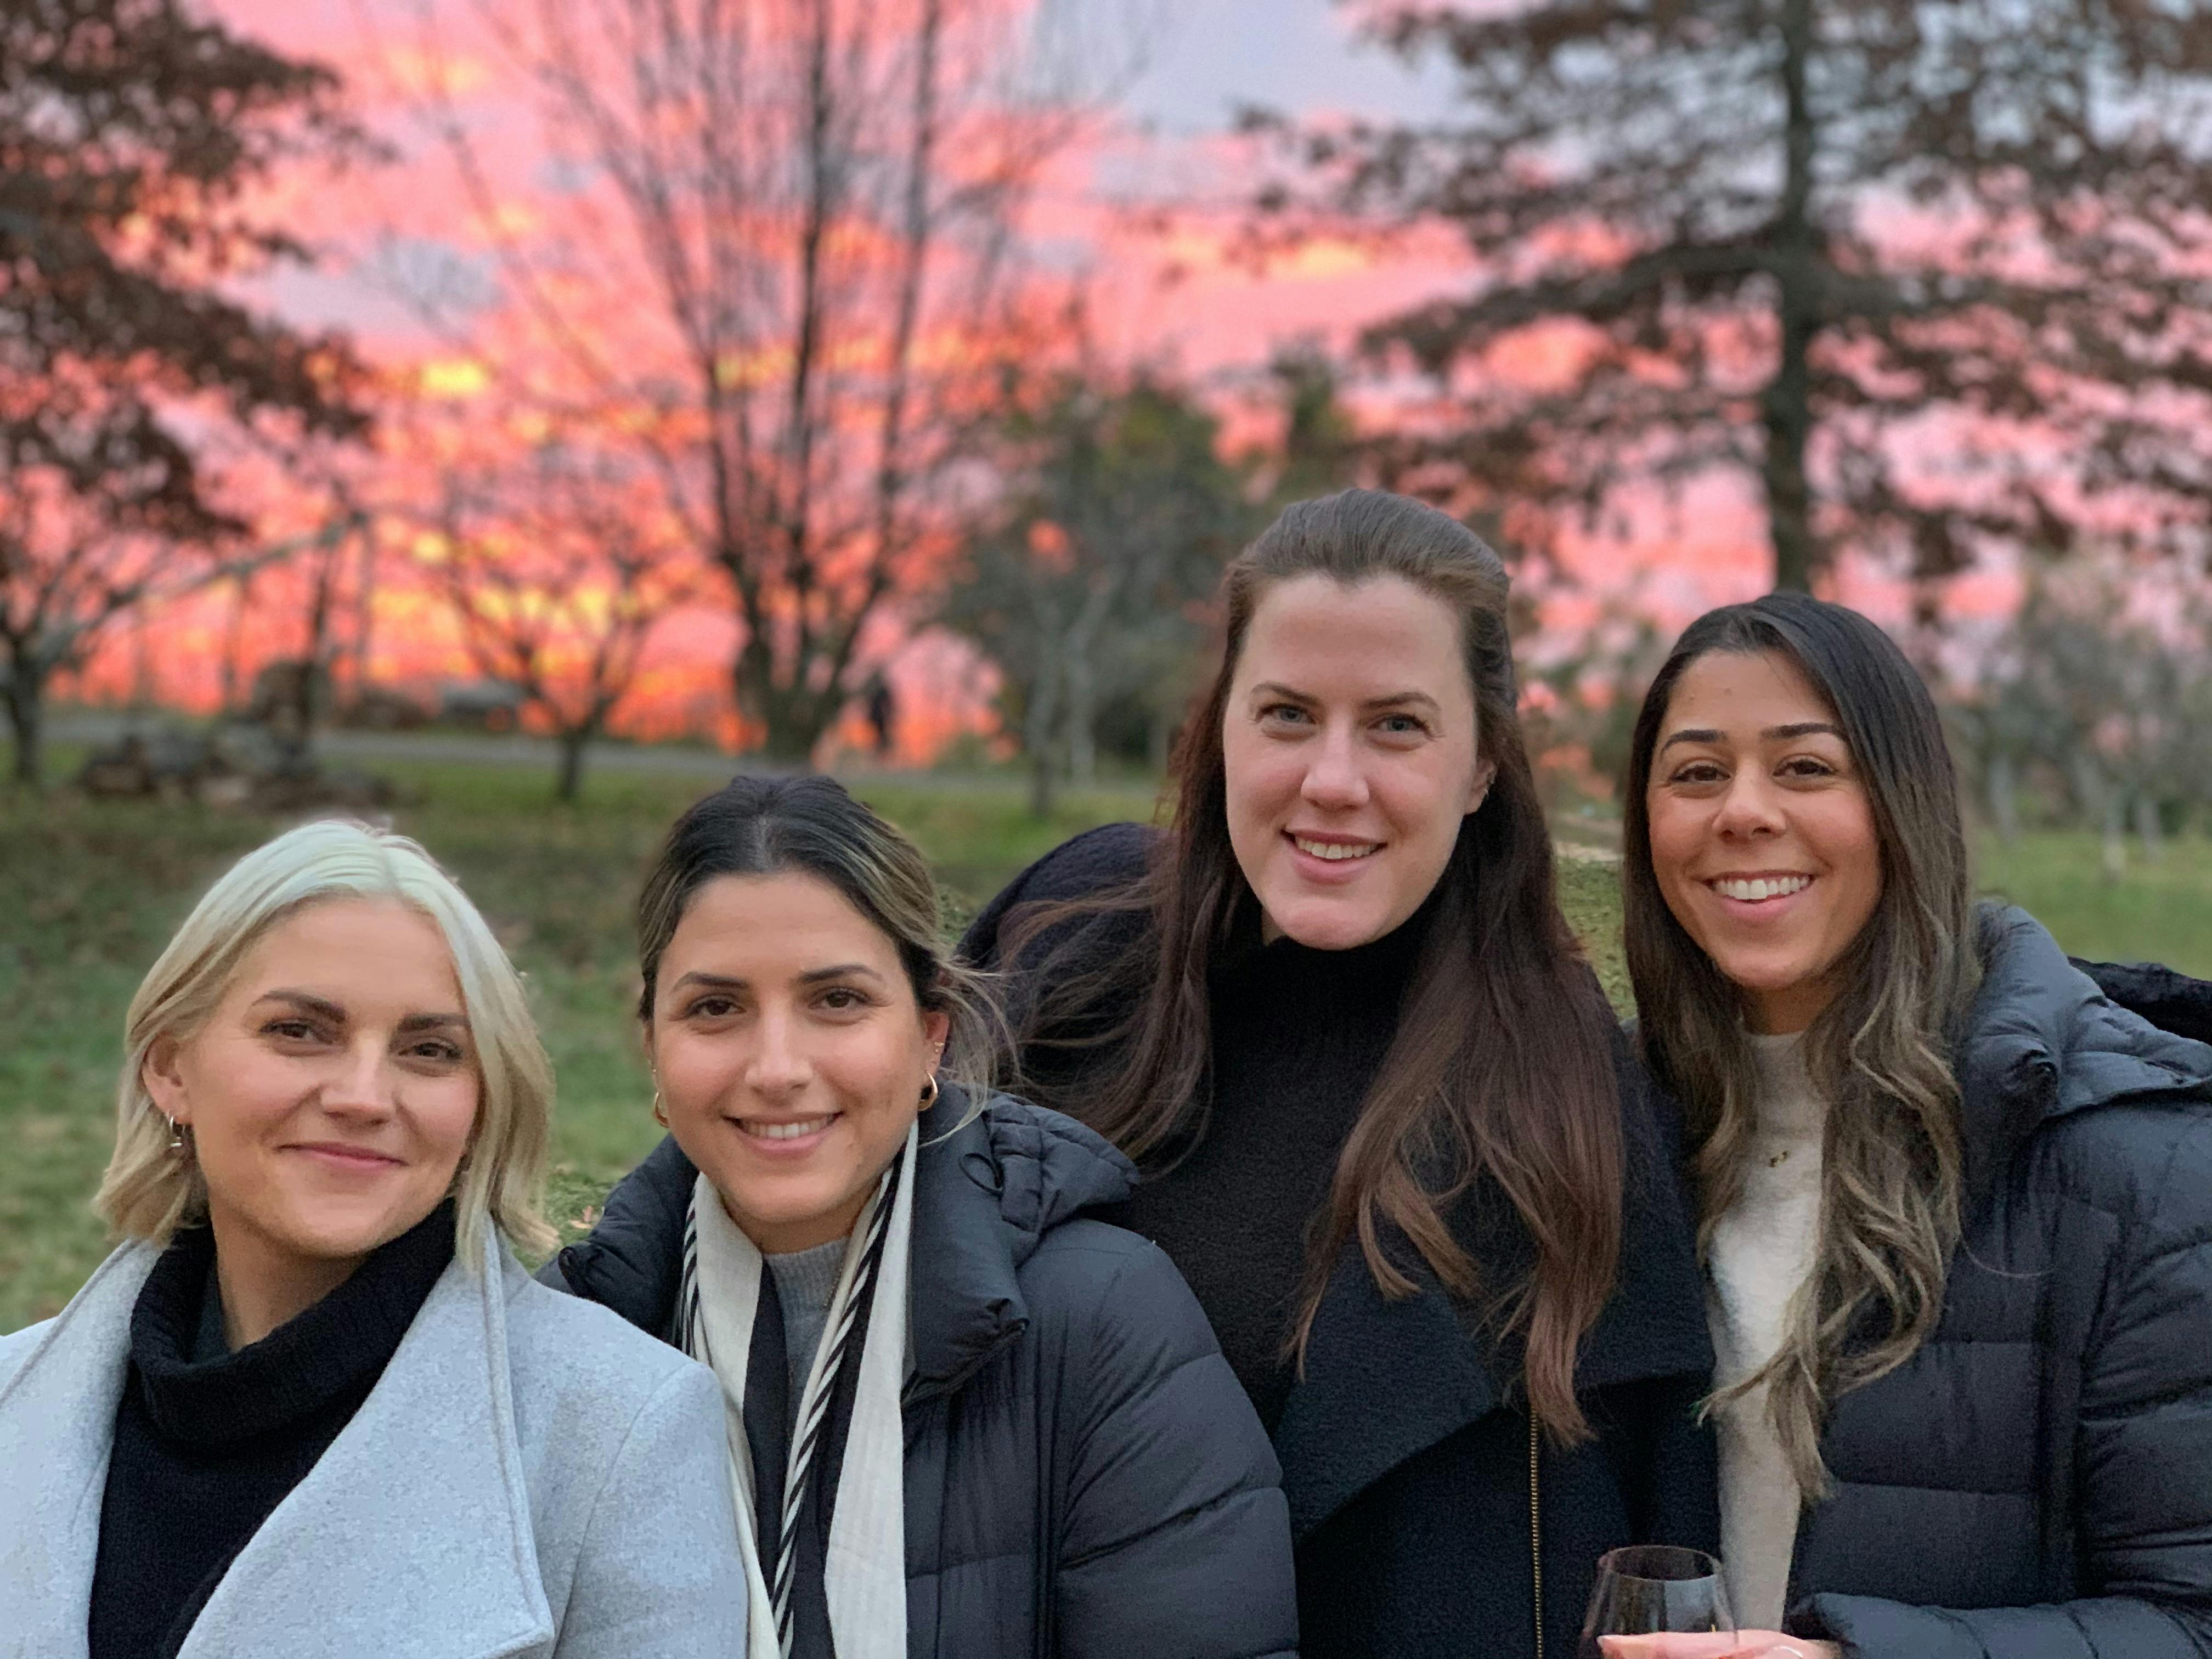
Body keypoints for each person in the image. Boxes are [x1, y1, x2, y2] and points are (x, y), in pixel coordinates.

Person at [963, 488, 1718, 1659]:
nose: (1331, 778)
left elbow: (1655, 1546)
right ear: (1223, 732)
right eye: (1286, 715)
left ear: (1481, 770)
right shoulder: (1071, 951)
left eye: (1398, 726)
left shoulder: (1569, 1098)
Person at [539, 774, 1298, 1659]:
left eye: (838, 1001)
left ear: (931, 1033)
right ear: (653, 1048)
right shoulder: (576, 1344)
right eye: (717, 1008)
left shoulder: (1102, 1327)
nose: (778, 1067)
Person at [1611, 592, 2212, 1658]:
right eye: (1697, 773)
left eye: (1805, 767)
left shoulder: (2136, 1170)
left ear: (1903, 807)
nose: (1742, 811)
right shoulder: (1609, 1139)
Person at [0, 820, 747, 1658]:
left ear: (481, 1107)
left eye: (428, 1050)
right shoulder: (15, 1400)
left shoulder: (620, 1434)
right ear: (172, 1068)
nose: (363, 1095)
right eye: (298, 1030)